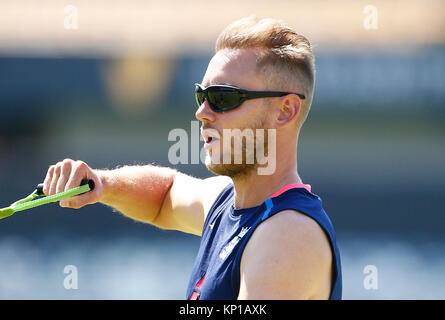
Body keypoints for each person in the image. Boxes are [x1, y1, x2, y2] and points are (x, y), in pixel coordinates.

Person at [42, 16, 342, 300]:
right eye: (203, 96)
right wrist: (102, 184)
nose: (202, 113)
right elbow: (165, 195)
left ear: (285, 111)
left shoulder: (287, 236)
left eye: (223, 98)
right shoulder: (229, 203)